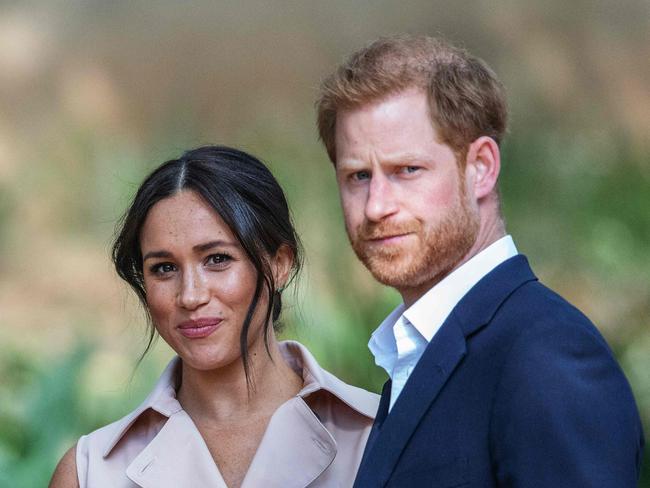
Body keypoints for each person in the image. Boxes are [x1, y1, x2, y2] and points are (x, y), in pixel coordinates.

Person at [316, 35, 644, 486]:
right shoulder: (418, 352)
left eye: (407, 170)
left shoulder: (546, 358)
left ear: (482, 167)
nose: (375, 206)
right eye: (358, 176)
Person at [49, 145, 379, 488]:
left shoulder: (380, 433)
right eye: (164, 268)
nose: (191, 295)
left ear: (280, 264)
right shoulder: (90, 472)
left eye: (217, 259)